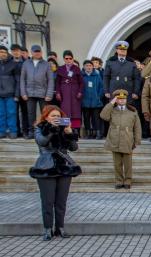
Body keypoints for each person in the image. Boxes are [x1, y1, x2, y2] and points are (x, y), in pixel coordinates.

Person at [28, 105, 81, 240]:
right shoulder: (40, 128)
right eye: (53, 116)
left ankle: (60, 228)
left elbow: (74, 147)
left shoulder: (64, 128)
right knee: (47, 201)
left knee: (61, 201)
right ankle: (47, 229)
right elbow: (42, 142)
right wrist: (51, 128)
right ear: (46, 117)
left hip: (63, 166)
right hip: (46, 166)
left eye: (58, 116)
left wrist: (69, 132)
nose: (56, 118)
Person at [100, 89, 141, 189]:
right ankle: (119, 180)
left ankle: (127, 180)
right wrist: (111, 103)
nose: (122, 101)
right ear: (116, 100)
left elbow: (137, 127)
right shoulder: (112, 110)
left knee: (128, 163)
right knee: (117, 163)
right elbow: (103, 116)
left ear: (126, 100)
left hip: (127, 139)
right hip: (115, 139)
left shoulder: (132, 111)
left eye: (124, 99)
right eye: (119, 99)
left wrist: (137, 141)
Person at [20, 45, 54, 138]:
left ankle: (43, 131)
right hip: (29, 93)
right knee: (30, 113)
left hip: (43, 93)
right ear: (31, 52)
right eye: (35, 51)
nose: (37, 53)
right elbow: (22, 79)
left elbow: (51, 80)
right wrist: (23, 93)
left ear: (41, 52)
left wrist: (49, 94)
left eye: (39, 51)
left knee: (44, 113)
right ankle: (32, 132)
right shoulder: (26, 63)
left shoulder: (46, 64)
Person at [55, 51, 83, 134]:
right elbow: (57, 82)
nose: (68, 60)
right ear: (64, 59)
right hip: (64, 93)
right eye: (66, 58)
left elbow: (81, 82)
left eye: (70, 58)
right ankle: (65, 130)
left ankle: (75, 131)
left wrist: (80, 92)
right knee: (65, 111)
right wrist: (58, 93)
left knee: (75, 112)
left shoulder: (76, 68)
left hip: (74, 93)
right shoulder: (60, 69)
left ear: (73, 59)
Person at [0, 45, 21, 138]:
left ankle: (13, 131)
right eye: (0, 52)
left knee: (11, 113)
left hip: (11, 94)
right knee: (1, 114)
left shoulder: (13, 64)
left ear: (7, 53)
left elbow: (18, 81)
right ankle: (2, 131)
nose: (2, 54)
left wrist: (17, 94)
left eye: (4, 52)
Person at [81, 60, 104, 139]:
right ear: (84, 67)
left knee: (96, 118)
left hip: (96, 101)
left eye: (90, 66)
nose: (88, 67)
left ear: (92, 67)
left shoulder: (97, 76)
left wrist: (99, 96)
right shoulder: (81, 76)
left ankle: (97, 133)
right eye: (87, 66)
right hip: (85, 101)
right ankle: (88, 133)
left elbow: (101, 87)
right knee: (86, 118)